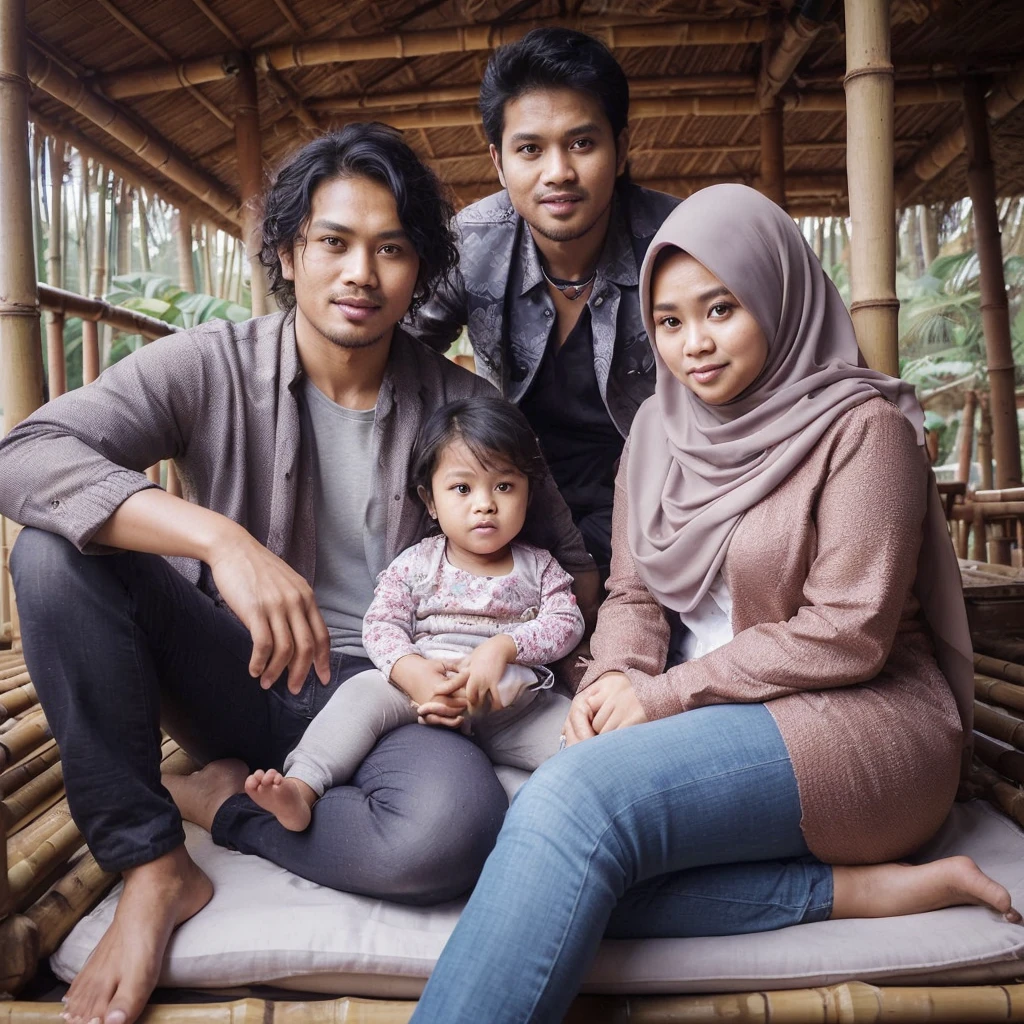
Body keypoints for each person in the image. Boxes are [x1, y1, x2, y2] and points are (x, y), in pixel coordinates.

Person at [0, 124, 595, 1024]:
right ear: (287, 251)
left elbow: (573, 570)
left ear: (419, 271)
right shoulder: (213, 365)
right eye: (334, 242)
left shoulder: (466, 408)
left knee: (450, 834)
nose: (361, 272)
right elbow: (27, 453)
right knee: (50, 554)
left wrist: (495, 661)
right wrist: (219, 542)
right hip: (236, 672)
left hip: (392, 697)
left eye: (391, 249)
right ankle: (155, 865)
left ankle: (225, 804)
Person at [408, 184, 1019, 1024]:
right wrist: (611, 679)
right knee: (530, 856)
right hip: (707, 716)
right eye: (668, 321)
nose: (692, 344)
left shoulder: (864, 429)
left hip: (861, 722)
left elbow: (849, 635)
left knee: (573, 807)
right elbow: (633, 593)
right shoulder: (656, 434)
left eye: (720, 308)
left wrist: (658, 697)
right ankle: (855, 891)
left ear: (776, 292)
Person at [408, 28, 680, 577]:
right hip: (510, 502)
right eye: (530, 148)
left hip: (661, 497)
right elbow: (397, 348)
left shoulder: (678, 241)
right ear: (499, 161)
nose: (558, 171)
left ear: (621, 149)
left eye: (582, 143)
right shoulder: (471, 245)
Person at [245, 396, 584, 831]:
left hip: (513, 707)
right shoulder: (417, 563)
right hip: (422, 689)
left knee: (583, 741)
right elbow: (382, 623)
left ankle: (541, 797)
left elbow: (567, 622)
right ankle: (302, 785)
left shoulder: (539, 566)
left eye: (504, 486)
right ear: (430, 501)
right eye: (462, 489)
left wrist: (505, 646)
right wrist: (413, 674)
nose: (484, 504)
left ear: (527, 493)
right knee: (361, 694)